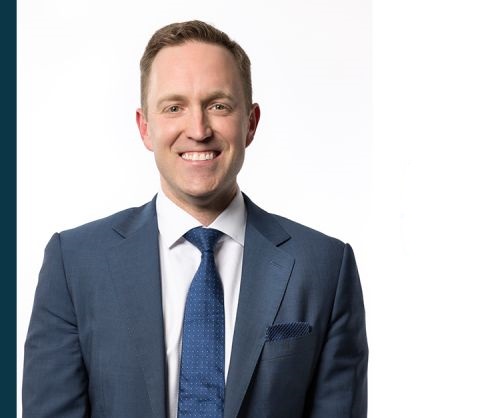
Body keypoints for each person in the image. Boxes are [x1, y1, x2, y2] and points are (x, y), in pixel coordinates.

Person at [22, 20, 367, 418]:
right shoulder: (75, 263)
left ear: (250, 123)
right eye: (174, 107)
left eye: (218, 105)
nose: (198, 129)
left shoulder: (324, 266)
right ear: (145, 127)